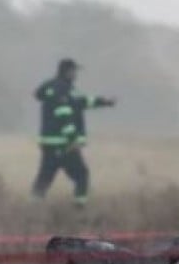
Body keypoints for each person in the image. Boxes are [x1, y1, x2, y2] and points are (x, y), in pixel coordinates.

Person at [32, 59, 116, 205]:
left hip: (50, 143)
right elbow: (63, 114)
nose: (76, 74)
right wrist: (72, 140)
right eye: (75, 70)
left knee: (45, 178)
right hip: (64, 144)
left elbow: (81, 102)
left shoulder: (60, 88)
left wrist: (104, 101)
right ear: (68, 71)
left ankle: (33, 209)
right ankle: (79, 210)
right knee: (82, 175)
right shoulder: (62, 89)